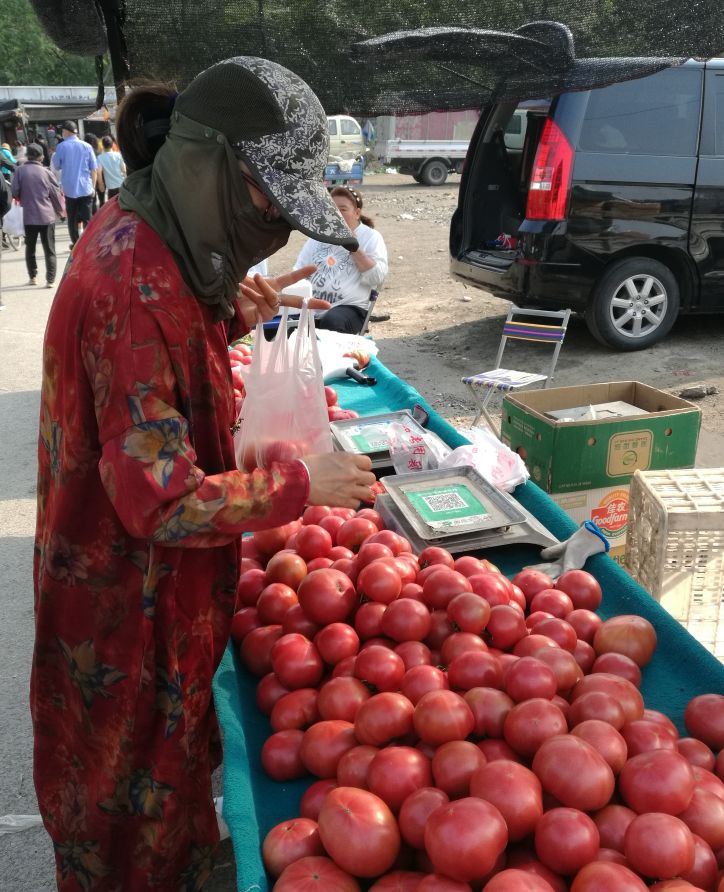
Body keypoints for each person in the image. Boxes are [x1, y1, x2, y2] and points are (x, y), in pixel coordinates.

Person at [31, 56, 374, 891]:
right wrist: (303, 486)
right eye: (265, 202)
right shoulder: (134, 285)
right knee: (124, 827)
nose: (272, 227)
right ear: (210, 165)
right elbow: (161, 499)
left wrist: (218, 323)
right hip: (123, 617)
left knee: (167, 803)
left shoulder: (160, 237)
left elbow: (149, 400)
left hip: (154, 605)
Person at [294, 185, 388, 333]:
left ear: (357, 213)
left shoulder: (370, 237)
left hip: (350, 308)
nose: (336, 214)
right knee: (279, 322)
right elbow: (298, 271)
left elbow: (377, 278)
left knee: (332, 321)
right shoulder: (319, 236)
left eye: (343, 209)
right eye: (332, 209)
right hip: (313, 305)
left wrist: (354, 248)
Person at [10, 142, 63, 286]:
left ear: (27, 156)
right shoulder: (47, 172)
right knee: (49, 249)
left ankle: (33, 277)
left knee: (30, 248)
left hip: (28, 217)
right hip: (47, 217)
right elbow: (55, 194)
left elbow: (14, 192)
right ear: (41, 156)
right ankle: (50, 280)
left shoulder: (19, 171)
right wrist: (60, 211)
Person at [51, 120, 98, 246]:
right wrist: (93, 187)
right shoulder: (87, 146)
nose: (62, 132)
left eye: (62, 130)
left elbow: (57, 165)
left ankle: (76, 244)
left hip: (69, 189)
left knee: (71, 219)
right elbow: (94, 169)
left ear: (66, 131)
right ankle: (91, 243)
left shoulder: (61, 147)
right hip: (86, 188)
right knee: (88, 218)